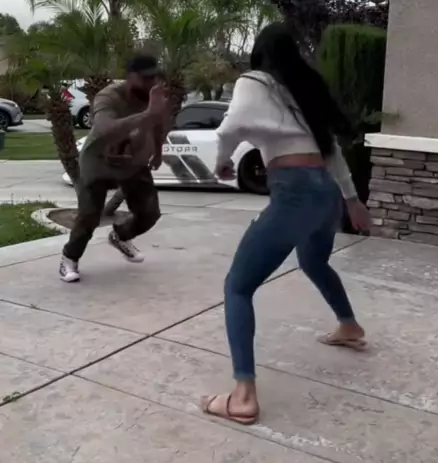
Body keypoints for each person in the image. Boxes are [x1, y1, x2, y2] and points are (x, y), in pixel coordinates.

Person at [202, 23, 371, 425]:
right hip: (326, 194)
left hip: (295, 191)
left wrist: (221, 162)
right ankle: (349, 326)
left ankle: (243, 396)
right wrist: (352, 200)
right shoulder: (302, 90)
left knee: (238, 286)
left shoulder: (254, 81)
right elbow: (331, 151)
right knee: (313, 262)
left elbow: (231, 126)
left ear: (259, 54)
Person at [59, 54, 169, 282]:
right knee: (89, 216)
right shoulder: (108, 96)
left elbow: (158, 123)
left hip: (132, 162)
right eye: (145, 78)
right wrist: (147, 114)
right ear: (131, 77)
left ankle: (121, 236)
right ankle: (69, 259)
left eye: (154, 77)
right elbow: (105, 128)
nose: (151, 83)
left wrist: (158, 152)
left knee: (150, 213)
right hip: (98, 162)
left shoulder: (154, 96)